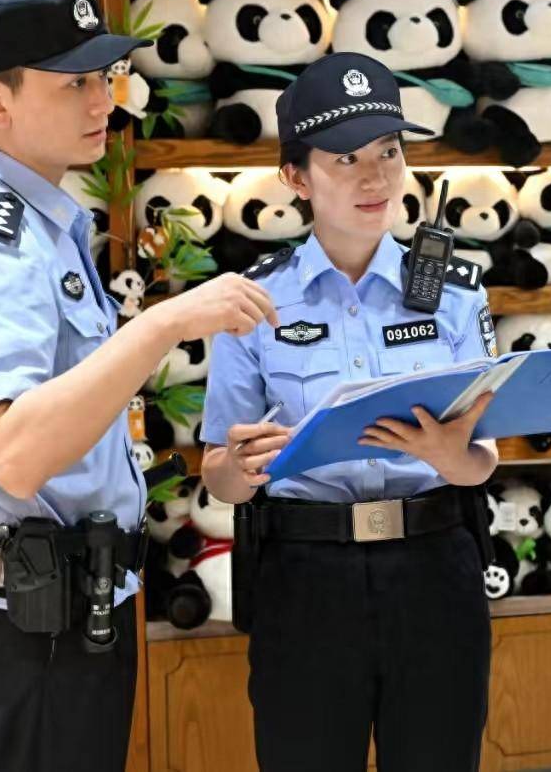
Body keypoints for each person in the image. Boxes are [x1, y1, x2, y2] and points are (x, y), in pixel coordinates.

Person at [0, 0, 277, 772]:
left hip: (68, 603)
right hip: (35, 619)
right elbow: (12, 450)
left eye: (102, 78)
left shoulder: (41, 221)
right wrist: (163, 324)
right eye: (71, 83)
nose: (100, 100)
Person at [200, 51, 499, 772]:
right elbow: (216, 469)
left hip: (435, 568)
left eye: (389, 153)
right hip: (305, 576)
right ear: (296, 176)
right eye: (345, 158)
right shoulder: (251, 300)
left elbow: (483, 458)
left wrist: (454, 457)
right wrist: (240, 468)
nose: (376, 177)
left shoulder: (455, 290)